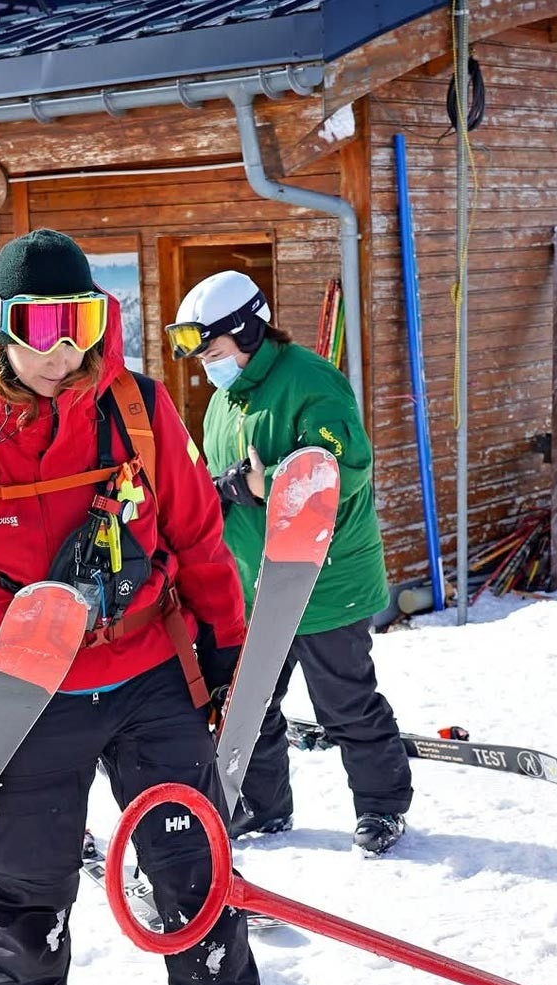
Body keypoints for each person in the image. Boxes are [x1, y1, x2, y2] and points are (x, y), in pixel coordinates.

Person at [0, 229, 278, 985]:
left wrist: (225, 653)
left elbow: (198, 541)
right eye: (42, 323)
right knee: (32, 879)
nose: (65, 346)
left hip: (145, 671)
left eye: (83, 320)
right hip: (28, 692)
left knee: (194, 865)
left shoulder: (139, 410)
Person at [167, 271, 413, 855]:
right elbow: (219, 487)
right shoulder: (227, 400)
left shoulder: (312, 384)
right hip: (255, 585)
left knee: (346, 703)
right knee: (249, 703)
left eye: (214, 350)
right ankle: (264, 805)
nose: (207, 364)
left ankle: (382, 808)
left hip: (327, 585)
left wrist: (262, 481)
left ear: (248, 331)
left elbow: (344, 470)